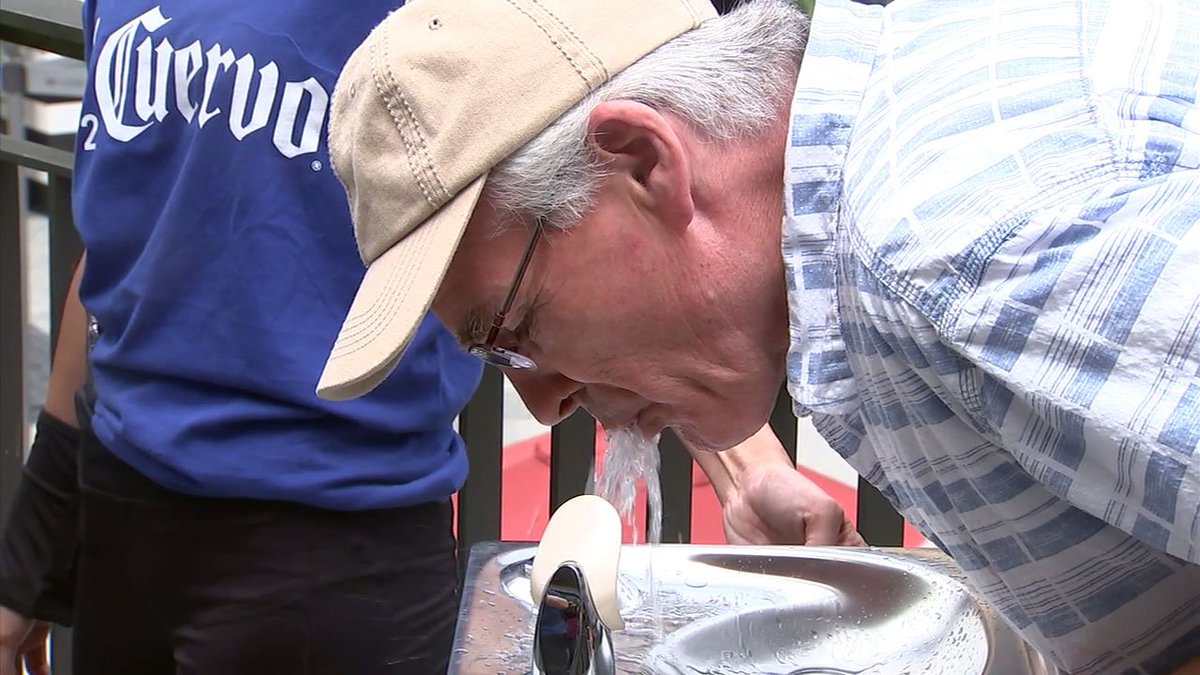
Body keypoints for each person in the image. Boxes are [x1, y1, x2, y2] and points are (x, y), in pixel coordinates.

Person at [311, 0, 1200, 673]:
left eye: (514, 334)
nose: (543, 403)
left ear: (645, 164)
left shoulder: (951, 249)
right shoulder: (880, 181)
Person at [0, 1, 864, 672]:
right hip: (123, 495)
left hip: (335, 538)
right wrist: (37, 534)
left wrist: (749, 463)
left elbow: (609, 194)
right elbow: (130, 239)